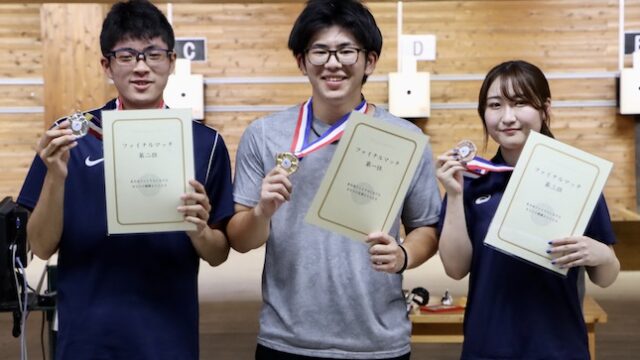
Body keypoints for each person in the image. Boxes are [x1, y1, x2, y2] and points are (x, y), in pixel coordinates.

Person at [17, 1, 234, 358]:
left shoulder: (205, 144)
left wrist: (199, 230)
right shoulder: (70, 137)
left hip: (168, 338)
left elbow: (219, 253)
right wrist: (56, 178)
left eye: (153, 54)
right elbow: (40, 247)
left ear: (171, 62)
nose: (142, 67)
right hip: (87, 340)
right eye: (127, 55)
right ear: (107, 65)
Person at [227, 1, 441, 359]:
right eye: (320, 51)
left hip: (378, 343)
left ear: (369, 61)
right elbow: (239, 239)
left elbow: (427, 228)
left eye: (346, 51)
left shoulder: (404, 140)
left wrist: (403, 255)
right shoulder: (264, 135)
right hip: (286, 339)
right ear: (301, 61)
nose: (333, 62)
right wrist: (262, 212)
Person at [436, 60, 620, 359]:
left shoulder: (577, 179)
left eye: (520, 103)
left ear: (545, 109)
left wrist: (601, 254)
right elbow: (455, 269)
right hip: (487, 346)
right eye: (495, 105)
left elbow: (605, 276)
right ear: (483, 114)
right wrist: (454, 196)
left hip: (559, 348)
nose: (507, 117)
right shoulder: (472, 182)